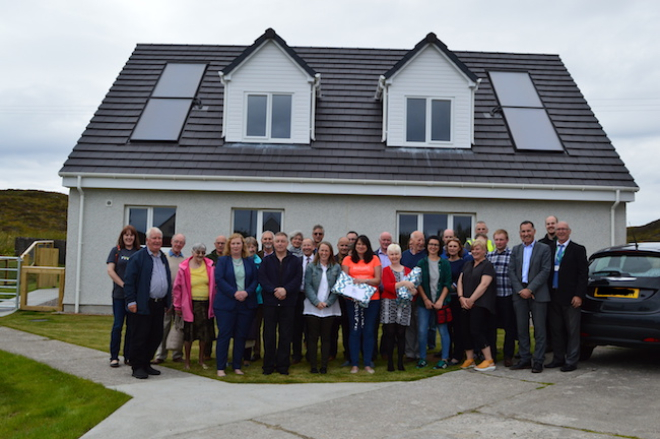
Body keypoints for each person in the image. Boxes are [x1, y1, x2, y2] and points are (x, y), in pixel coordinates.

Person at [123, 227, 171, 379]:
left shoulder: (162, 257)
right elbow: (129, 282)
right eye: (154, 238)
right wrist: (131, 301)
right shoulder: (138, 257)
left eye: (159, 239)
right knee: (140, 336)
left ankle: (146, 363)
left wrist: (168, 301)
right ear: (147, 240)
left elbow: (166, 279)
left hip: (159, 304)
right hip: (142, 303)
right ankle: (137, 366)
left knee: (156, 335)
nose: (157, 241)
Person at [508, 220, 552, 373]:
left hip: (538, 294)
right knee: (522, 329)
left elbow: (545, 271)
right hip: (520, 295)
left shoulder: (544, 249)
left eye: (528, 231)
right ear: (520, 233)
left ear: (534, 231)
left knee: (539, 329)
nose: (525, 234)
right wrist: (521, 290)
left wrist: (530, 289)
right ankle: (525, 358)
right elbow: (511, 272)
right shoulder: (515, 250)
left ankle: (538, 360)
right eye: (523, 231)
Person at [545, 221, 588, 372]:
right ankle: (558, 358)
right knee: (556, 329)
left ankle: (571, 360)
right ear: (555, 232)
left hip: (571, 298)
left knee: (572, 330)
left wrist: (579, 295)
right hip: (553, 296)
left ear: (569, 231)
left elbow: (583, 274)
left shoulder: (578, 249)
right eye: (559, 229)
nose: (561, 232)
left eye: (564, 229)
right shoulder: (549, 249)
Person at [214, 233, 259, 377]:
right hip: (226, 305)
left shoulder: (249, 261)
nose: (235, 246)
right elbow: (219, 280)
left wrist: (246, 293)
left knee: (241, 336)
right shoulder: (222, 261)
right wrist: (234, 293)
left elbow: (255, 280)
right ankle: (221, 367)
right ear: (229, 245)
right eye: (233, 243)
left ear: (242, 245)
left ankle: (237, 366)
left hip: (245, 304)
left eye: (238, 243)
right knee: (224, 335)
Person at [258, 232, 302, 375]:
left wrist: (286, 290)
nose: (280, 244)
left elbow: (297, 279)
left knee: (285, 335)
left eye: (283, 241)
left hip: (288, 303)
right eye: (277, 241)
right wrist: (274, 290)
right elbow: (262, 279)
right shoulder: (266, 260)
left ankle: (283, 366)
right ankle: (268, 366)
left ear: (287, 243)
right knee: (269, 334)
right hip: (270, 302)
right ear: (274, 243)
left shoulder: (294, 261)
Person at [341, 235, 382, 373]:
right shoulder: (347, 259)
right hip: (353, 300)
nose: (361, 246)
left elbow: (377, 280)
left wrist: (362, 281)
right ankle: (354, 364)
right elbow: (345, 280)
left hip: (372, 299)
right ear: (355, 245)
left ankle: (367, 363)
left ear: (368, 246)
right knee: (355, 330)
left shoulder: (375, 259)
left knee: (369, 330)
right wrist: (356, 282)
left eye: (363, 244)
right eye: (358, 244)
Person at [172, 243, 216, 370]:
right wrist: (177, 305)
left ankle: (201, 360)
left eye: (203, 252)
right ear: (192, 252)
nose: (200, 255)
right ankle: (187, 361)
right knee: (189, 334)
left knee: (204, 334)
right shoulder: (184, 267)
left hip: (206, 304)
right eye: (198, 252)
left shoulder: (210, 265)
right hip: (189, 304)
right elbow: (177, 288)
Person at [457, 239, 497, 372]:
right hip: (465, 303)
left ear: (485, 250)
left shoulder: (487, 265)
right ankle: (470, 359)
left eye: (478, 249)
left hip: (480, 304)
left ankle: (489, 360)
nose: (474, 251)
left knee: (477, 330)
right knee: (465, 331)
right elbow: (460, 281)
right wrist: (461, 297)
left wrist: (471, 299)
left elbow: (484, 284)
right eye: (473, 249)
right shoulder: (468, 264)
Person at [303, 241, 342, 373]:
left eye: (326, 250)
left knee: (326, 338)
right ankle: (313, 366)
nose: (324, 253)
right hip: (312, 306)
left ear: (330, 252)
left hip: (329, 307)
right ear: (317, 251)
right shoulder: (311, 267)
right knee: (313, 337)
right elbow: (307, 285)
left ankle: (324, 366)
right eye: (322, 250)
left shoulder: (336, 267)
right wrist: (316, 302)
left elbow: (338, 287)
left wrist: (328, 302)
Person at [106, 225, 141, 367]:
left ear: (135, 237)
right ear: (122, 237)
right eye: (126, 235)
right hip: (119, 296)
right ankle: (114, 357)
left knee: (132, 327)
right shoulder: (116, 251)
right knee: (117, 326)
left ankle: (128, 356)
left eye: (131, 235)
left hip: (133, 297)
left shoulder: (139, 252)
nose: (129, 237)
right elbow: (110, 270)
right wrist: (123, 284)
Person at [416, 236, 452, 369]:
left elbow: (447, 283)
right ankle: (422, 358)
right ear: (427, 246)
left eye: (436, 245)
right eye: (431, 244)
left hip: (441, 302)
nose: (433, 247)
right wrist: (425, 299)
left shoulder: (445, 263)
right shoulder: (421, 263)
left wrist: (441, 300)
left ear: (439, 247)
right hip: (424, 302)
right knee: (422, 330)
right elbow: (418, 282)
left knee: (443, 330)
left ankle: (444, 358)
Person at [381, 243, 416, 371]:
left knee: (401, 333)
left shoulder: (408, 271)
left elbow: (413, 288)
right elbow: (387, 286)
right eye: (391, 254)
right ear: (388, 256)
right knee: (390, 333)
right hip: (389, 303)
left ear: (401, 255)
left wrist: (413, 291)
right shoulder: (385, 270)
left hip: (404, 305)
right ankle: (390, 362)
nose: (394, 256)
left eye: (396, 254)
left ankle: (400, 362)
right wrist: (403, 283)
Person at [154, 233, 186, 364]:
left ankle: (177, 354)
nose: (178, 244)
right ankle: (160, 355)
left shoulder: (185, 260)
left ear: (183, 245)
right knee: (164, 326)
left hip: (180, 299)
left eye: (181, 242)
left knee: (179, 327)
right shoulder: (164, 258)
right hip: (166, 298)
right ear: (171, 242)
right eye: (176, 241)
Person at [487, 229, 517, 367]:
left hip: (507, 295)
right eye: (497, 240)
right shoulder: (489, 256)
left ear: (507, 240)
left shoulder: (513, 255)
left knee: (509, 328)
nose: (499, 242)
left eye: (501, 239)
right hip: (493, 297)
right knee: (491, 327)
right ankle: (492, 354)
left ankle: (508, 355)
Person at [445, 237, 473, 365]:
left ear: (459, 248)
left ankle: (458, 354)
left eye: (455, 246)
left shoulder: (463, 263)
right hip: (445, 298)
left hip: (457, 298)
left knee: (458, 328)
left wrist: (454, 286)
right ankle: (447, 353)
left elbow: (463, 278)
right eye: (450, 246)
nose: (452, 248)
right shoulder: (444, 262)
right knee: (446, 328)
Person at [402, 231, 426, 361]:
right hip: (406, 296)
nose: (421, 243)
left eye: (422, 240)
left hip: (421, 296)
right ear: (412, 241)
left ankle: (419, 352)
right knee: (409, 325)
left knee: (421, 325)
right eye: (418, 240)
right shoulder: (404, 255)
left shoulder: (426, 255)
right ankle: (410, 352)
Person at [292, 238, 315, 363]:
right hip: (298, 296)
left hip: (313, 297)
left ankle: (310, 354)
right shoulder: (297, 261)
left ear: (313, 247)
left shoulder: (317, 261)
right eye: (304, 245)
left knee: (311, 328)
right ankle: (296, 354)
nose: (306, 247)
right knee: (297, 327)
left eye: (308, 245)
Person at [243, 236, 263, 363]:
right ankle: (243, 353)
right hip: (242, 299)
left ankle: (256, 352)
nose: (251, 249)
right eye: (249, 246)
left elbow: (261, 282)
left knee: (255, 327)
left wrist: (250, 292)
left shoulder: (260, 262)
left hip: (257, 299)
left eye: (253, 246)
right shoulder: (241, 261)